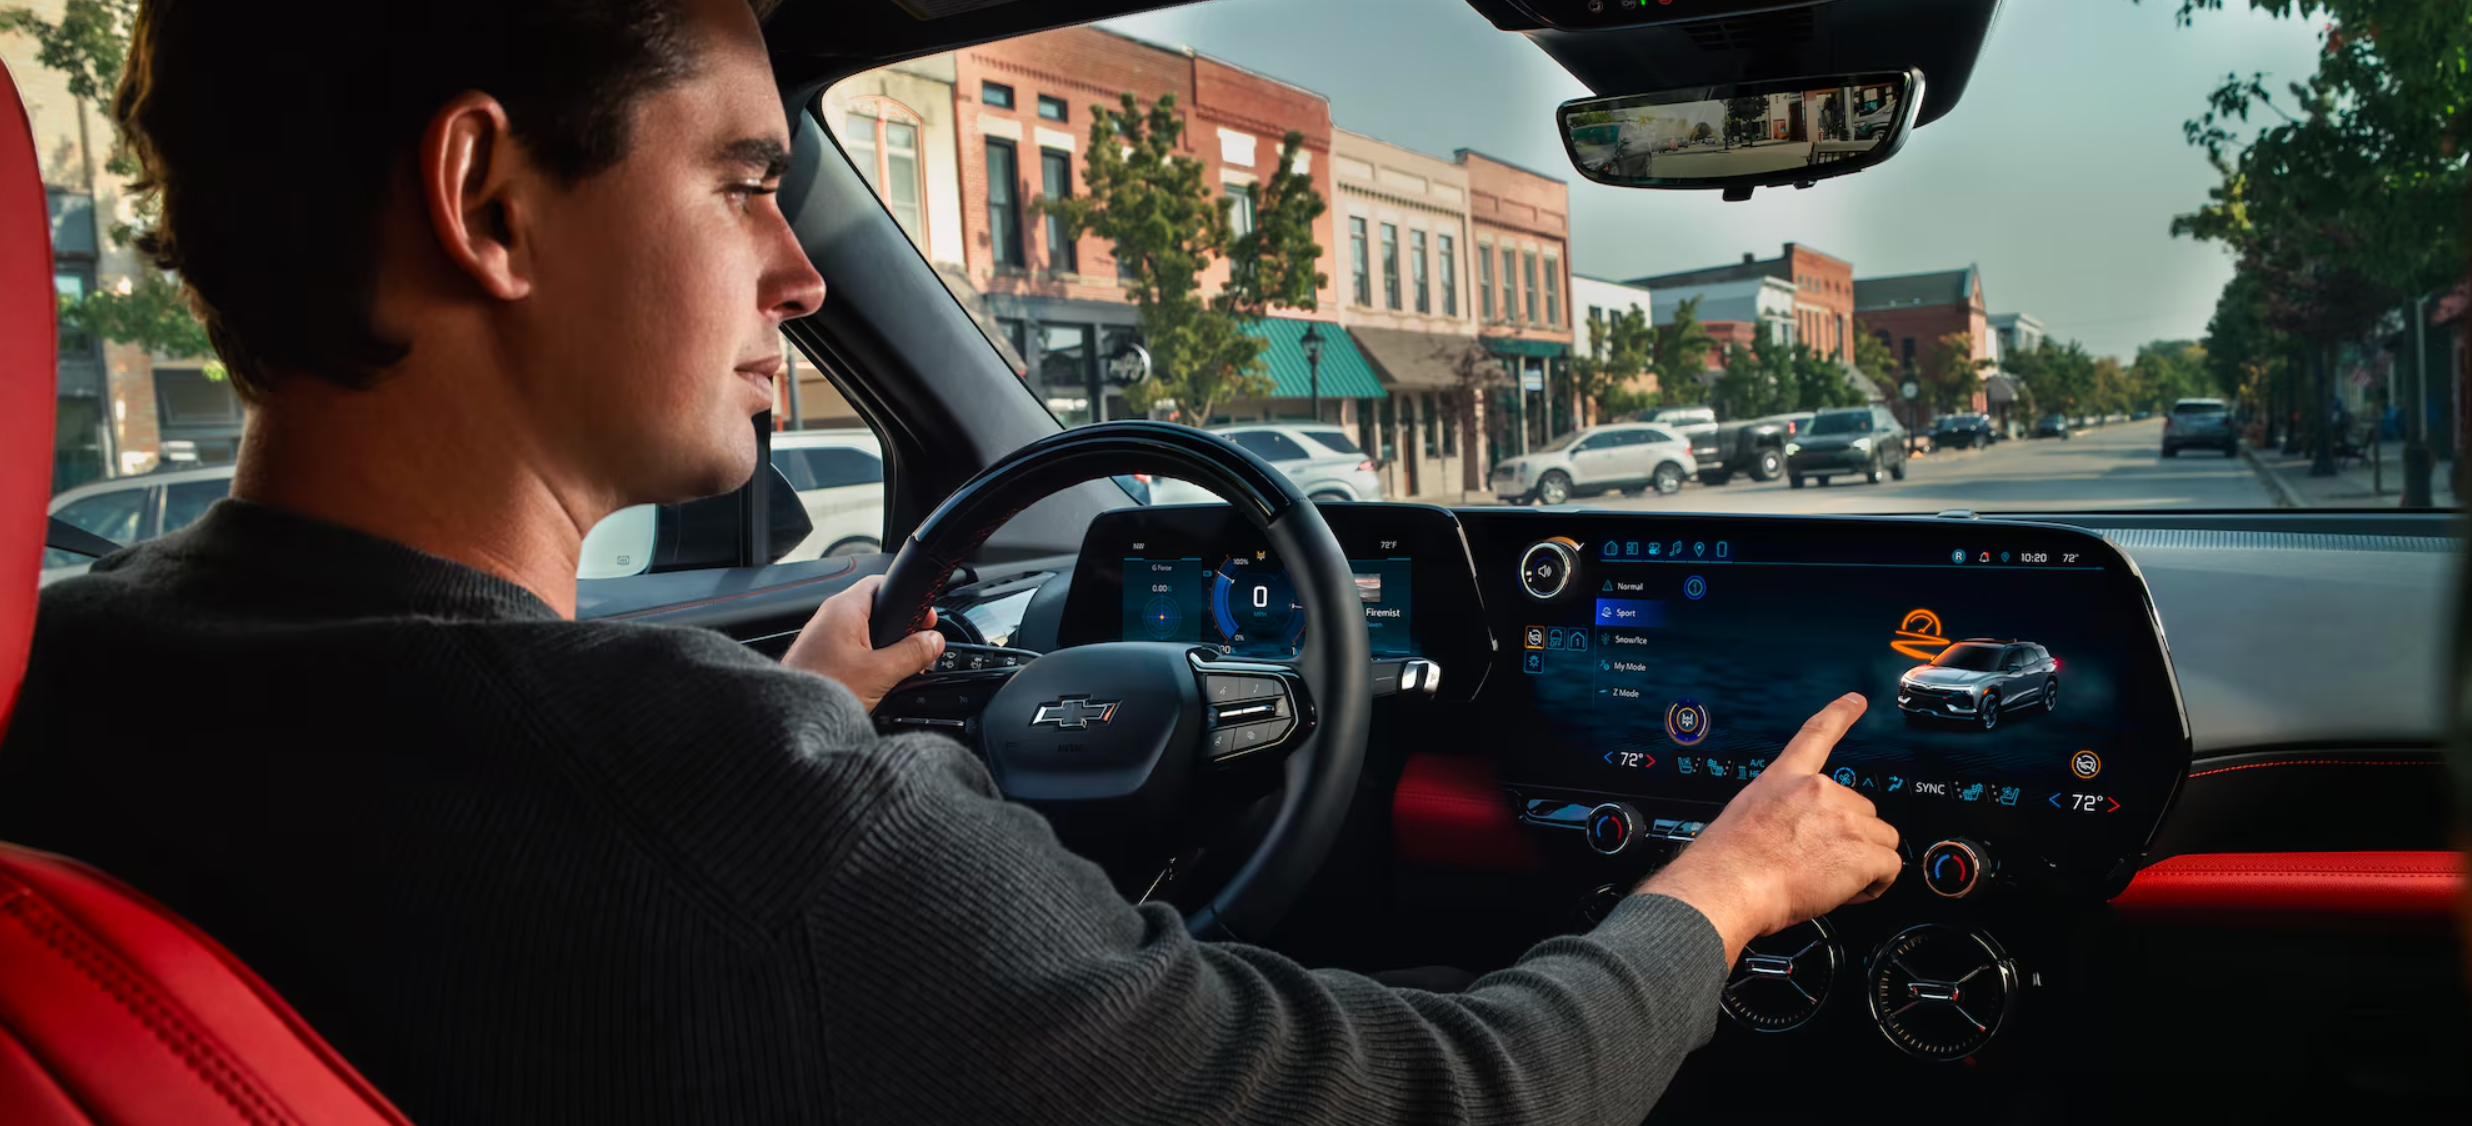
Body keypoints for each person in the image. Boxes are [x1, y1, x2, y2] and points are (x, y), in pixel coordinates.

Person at [0, 0, 1904, 1122]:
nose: (805, 268)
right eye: (747, 182)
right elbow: (1443, 1096)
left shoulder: (69, 678)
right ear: (489, 200)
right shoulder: (742, 817)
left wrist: (793, 708)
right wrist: (1717, 891)